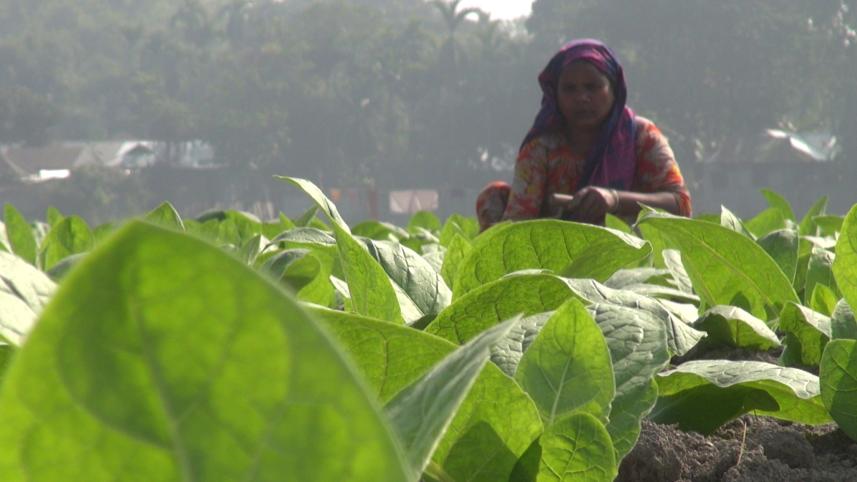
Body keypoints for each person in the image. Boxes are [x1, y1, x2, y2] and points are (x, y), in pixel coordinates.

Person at [476, 38, 692, 231]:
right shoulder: (542, 148)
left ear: (613, 89)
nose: (582, 97)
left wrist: (614, 199)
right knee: (494, 197)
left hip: (632, 253)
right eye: (570, 89)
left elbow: (680, 204)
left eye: (592, 87)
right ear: (556, 95)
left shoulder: (642, 136)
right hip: (558, 254)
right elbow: (518, 224)